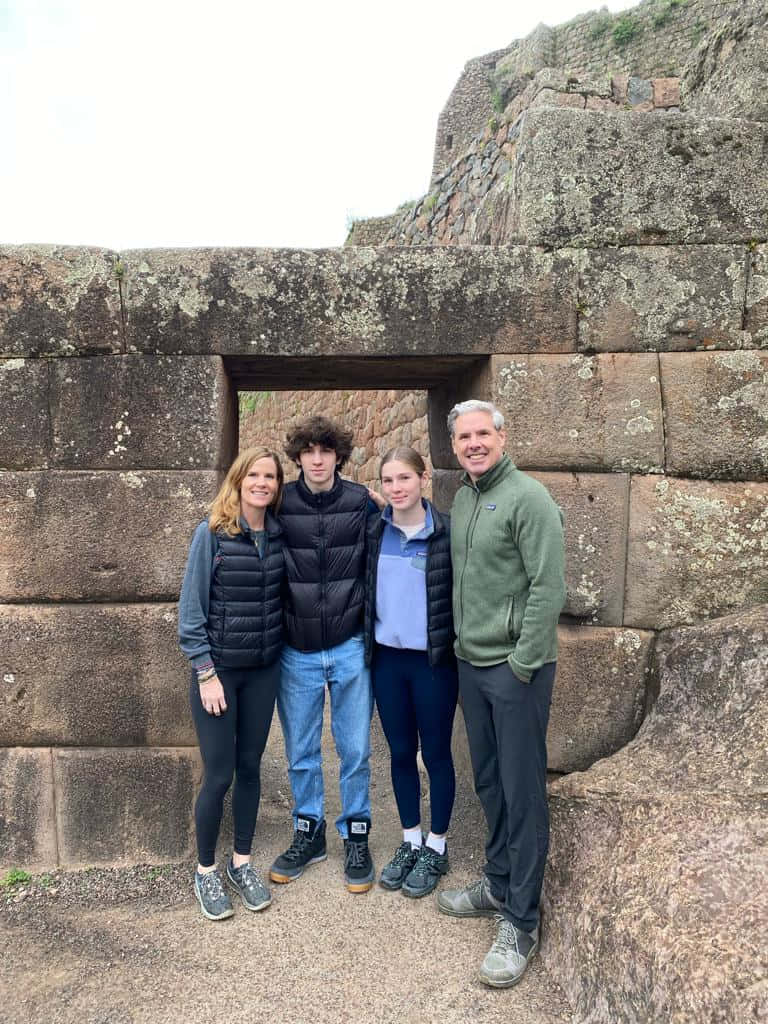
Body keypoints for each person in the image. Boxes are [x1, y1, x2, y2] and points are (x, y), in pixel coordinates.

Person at [437, 400, 566, 989]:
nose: (473, 444)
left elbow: (548, 586)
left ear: (502, 436)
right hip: (472, 664)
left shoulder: (528, 498)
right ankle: (497, 882)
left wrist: (522, 663)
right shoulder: (465, 499)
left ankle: (521, 920)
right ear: (455, 446)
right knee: (488, 780)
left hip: (516, 671)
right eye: (464, 437)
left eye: (482, 434)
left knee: (522, 789)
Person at [269, 415, 379, 893]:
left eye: (326, 451)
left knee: (355, 749)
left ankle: (356, 834)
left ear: (339, 456)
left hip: (349, 644)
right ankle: (308, 831)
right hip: (297, 649)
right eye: (309, 451)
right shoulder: (279, 502)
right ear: (298, 457)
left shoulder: (360, 502)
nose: (317, 460)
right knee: (301, 751)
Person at [178, 446, 285, 921]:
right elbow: (191, 613)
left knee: (250, 767)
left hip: (263, 673)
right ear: (239, 480)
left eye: (270, 477)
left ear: (277, 487)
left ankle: (241, 863)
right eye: (254, 475)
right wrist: (206, 673)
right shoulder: (212, 534)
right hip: (218, 674)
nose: (262, 483)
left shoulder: (279, 535)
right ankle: (205, 870)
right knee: (219, 774)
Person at [363, 447, 458, 898]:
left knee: (435, 754)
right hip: (387, 661)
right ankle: (411, 839)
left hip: (432, 663)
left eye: (404, 478)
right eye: (388, 480)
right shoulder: (373, 532)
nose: (396, 488)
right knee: (400, 752)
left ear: (423, 479)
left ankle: (437, 845)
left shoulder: (447, 534)